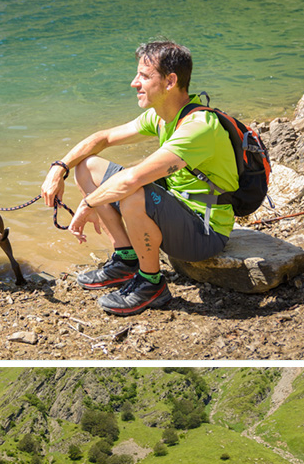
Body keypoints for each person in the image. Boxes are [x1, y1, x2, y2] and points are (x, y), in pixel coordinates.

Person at [41, 39, 237, 316]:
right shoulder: (162, 118)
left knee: (133, 190)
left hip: (204, 233)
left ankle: (151, 283)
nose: (135, 83)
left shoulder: (199, 127)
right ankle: (127, 258)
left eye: (144, 76)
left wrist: (88, 205)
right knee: (87, 166)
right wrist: (58, 169)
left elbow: (131, 181)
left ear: (170, 81)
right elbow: (103, 138)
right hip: (176, 214)